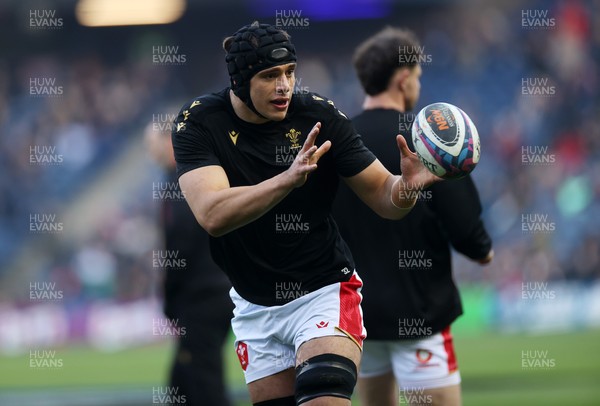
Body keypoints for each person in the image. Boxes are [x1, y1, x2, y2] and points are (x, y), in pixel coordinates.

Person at [171, 22, 439, 406]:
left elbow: (384, 194)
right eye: (269, 75)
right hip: (254, 304)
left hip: (322, 290)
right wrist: (287, 179)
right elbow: (212, 213)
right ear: (239, 82)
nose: (284, 85)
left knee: (322, 388)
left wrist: (406, 189)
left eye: (290, 72)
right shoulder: (197, 122)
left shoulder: (319, 115)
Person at [332, 27, 494, 406]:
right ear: (403, 78)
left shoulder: (339, 140)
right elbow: (467, 231)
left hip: (360, 316)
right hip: (421, 315)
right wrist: (483, 251)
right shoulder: (429, 142)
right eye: (418, 76)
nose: (419, 85)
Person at [146, 122, 233, 406]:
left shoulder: (180, 181)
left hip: (200, 297)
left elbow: (179, 243)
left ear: (169, 142)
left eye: (152, 144)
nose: (150, 152)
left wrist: (170, 299)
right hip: (215, 290)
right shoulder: (200, 175)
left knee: (204, 382)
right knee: (182, 380)